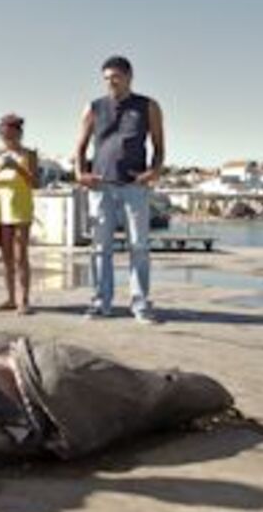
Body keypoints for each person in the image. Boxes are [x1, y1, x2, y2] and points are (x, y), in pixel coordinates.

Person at [74, 56, 165, 324]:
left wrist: (155, 171)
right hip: (101, 186)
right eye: (106, 78)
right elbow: (80, 146)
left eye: (115, 77)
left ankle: (140, 305)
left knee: (139, 246)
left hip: (134, 187)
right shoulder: (93, 107)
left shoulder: (148, 106)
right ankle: (101, 303)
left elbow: (159, 145)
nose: (110, 82)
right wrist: (80, 174)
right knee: (100, 248)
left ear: (128, 76)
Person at [0, 114, 37, 315]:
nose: (8, 137)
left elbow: (34, 182)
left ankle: (23, 299)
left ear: (19, 133)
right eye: (4, 134)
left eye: (11, 133)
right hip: (2, 211)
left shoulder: (28, 154)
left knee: (20, 256)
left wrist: (17, 167)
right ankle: (10, 298)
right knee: (6, 257)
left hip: (21, 210)